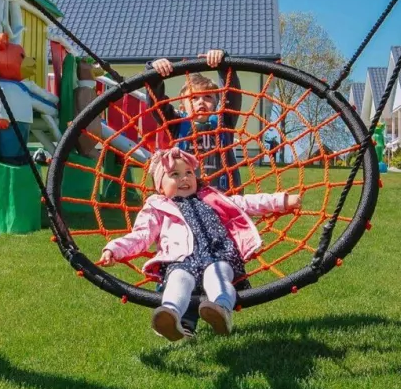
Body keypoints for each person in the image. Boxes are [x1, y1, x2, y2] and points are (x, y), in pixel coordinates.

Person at [98, 147, 298, 342]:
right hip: (181, 259)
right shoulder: (157, 207)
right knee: (178, 280)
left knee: (217, 277)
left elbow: (247, 203)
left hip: (218, 253)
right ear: (160, 186)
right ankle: (170, 316)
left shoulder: (211, 197)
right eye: (174, 174)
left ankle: (221, 310)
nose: (184, 178)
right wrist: (114, 249)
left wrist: (283, 200)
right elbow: (141, 235)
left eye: (188, 173)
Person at [145, 50, 242, 192]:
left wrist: (223, 65)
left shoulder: (224, 121)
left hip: (224, 195)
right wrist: (154, 73)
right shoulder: (176, 124)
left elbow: (232, 93)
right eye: (194, 98)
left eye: (208, 97)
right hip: (188, 194)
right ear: (182, 106)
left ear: (217, 103)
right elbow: (157, 104)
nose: (201, 102)